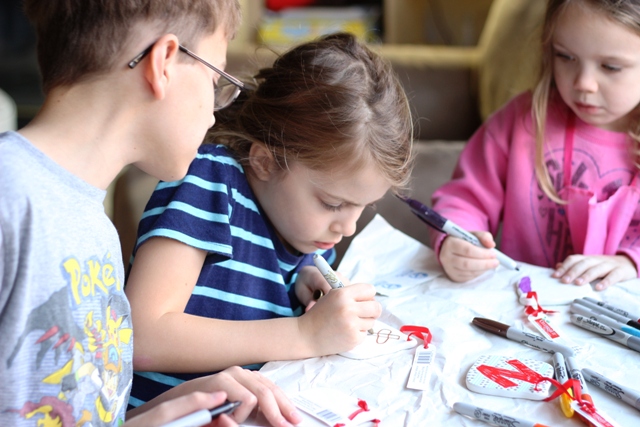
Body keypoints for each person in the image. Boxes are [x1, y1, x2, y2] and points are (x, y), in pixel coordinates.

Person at [0, 1, 302, 426]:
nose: (215, 111)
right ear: (163, 62)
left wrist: (173, 405)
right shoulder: (11, 197)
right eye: (216, 81)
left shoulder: (95, 229)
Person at [123, 32, 414, 405]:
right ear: (264, 161)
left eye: (364, 206)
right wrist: (304, 333)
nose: (348, 227)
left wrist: (300, 280)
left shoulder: (303, 235)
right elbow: (142, 337)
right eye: (331, 203)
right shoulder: (209, 183)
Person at [430, 0, 640, 290]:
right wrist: (457, 240)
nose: (584, 83)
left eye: (611, 67)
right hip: (522, 308)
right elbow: (466, 199)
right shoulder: (520, 121)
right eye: (565, 57)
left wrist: (631, 262)